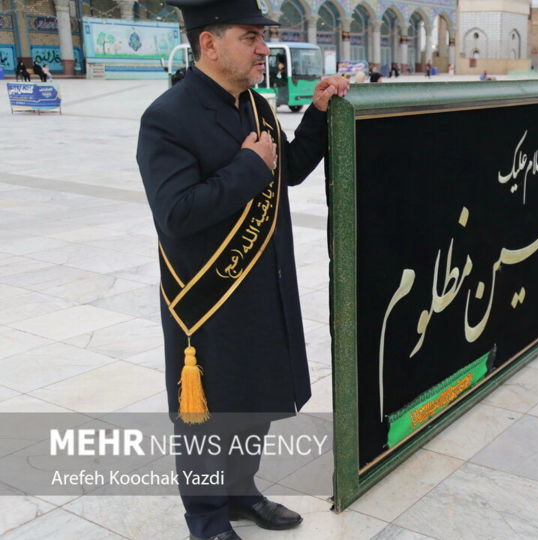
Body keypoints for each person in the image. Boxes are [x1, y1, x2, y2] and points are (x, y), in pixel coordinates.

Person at [136, 1, 349, 539]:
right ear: (209, 44)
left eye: (262, 37)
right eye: (250, 37)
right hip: (208, 298)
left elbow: (288, 172)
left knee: (253, 402)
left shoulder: (255, 107)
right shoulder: (167, 117)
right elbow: (177, 213)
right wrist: (249, 167)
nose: (263, 49)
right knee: (207, 416)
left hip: (264, 287)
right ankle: (206, 519)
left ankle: (241, 493)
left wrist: (318, 115)